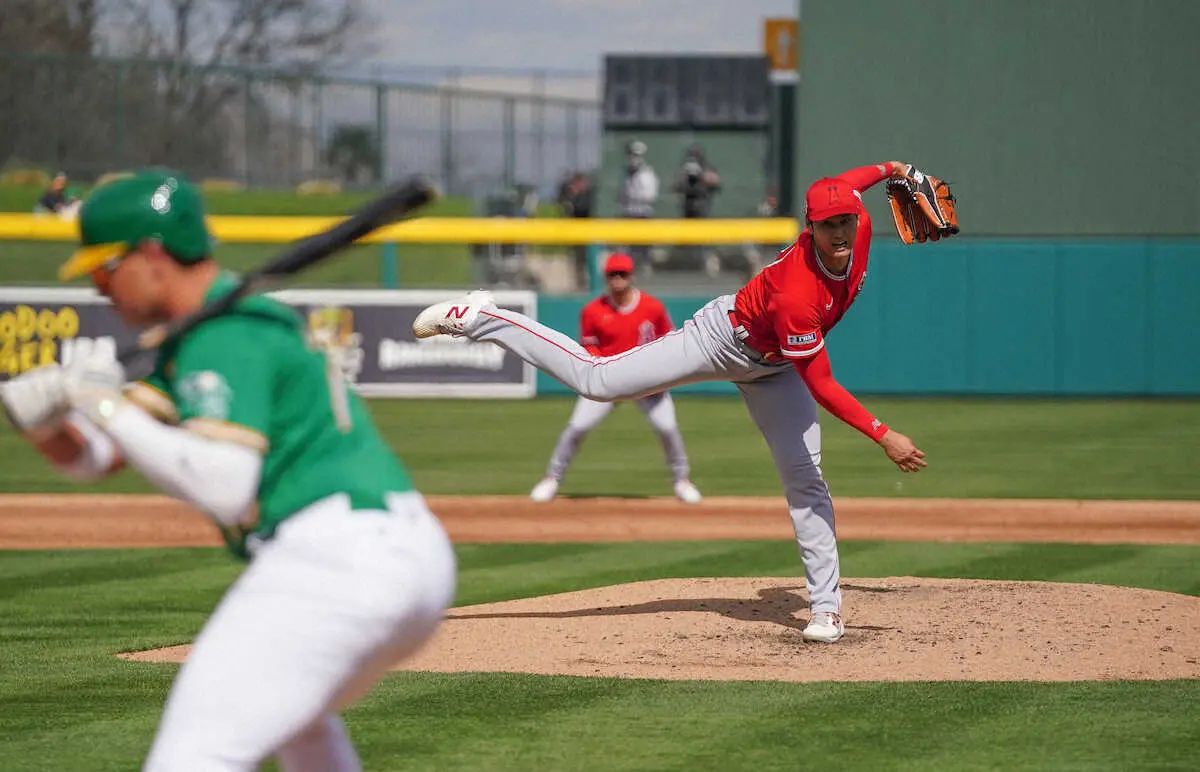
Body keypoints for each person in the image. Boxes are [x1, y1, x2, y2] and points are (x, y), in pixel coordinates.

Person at [0, 169, 457, 769]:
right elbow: (98, 457)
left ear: (151, 255)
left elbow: (223, 484)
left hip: (337, 562)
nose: (98, 287)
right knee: (303, 732)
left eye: (104, 267)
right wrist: (41, 422)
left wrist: (101, 402)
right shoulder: (206, 334)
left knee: (192, 759)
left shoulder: (227, 334)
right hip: (401, 558)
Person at [412, 161, 930, 645]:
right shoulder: (798, 293)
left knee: (806, 479)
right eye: (826, 224)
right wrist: (884, 435)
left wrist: (897, 169)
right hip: (723, 337)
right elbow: (822, 384)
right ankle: (481, 318)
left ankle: (826, 607)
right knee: (598, 381)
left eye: (844, 220)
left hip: (774, 371)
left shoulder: (858, 227)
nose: (839, 232)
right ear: (809, 227)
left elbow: (856, 179)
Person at [529, 252, 702, 504]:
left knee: (667, 429)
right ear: (606, 278)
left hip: (647, 381)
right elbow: (590, 347)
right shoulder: (592, 311)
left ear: (631, 276)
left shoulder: (652, 307)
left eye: (622, 273)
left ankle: (682, 481)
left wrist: (662, 375)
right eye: (613, 274)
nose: (618, 279)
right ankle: (552, 478)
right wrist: (601, 372)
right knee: (577, 427)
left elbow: (671, 341)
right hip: (607, 378)